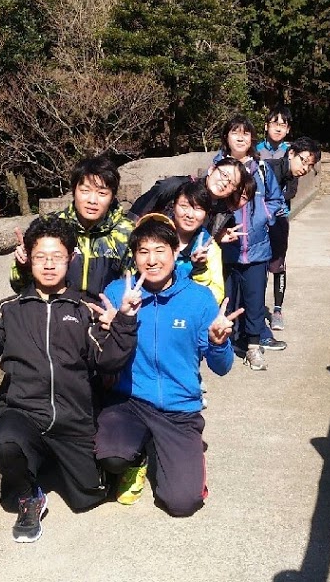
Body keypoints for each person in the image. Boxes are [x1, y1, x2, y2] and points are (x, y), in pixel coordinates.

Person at [0, 216, 139, 543]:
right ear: (28, 258)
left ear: (71, 258)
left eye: (57, 257)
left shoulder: (87, 308)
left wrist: (123, 323)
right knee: (6, 445)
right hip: (24, 413)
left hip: (74, 417)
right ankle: (30, 496)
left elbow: (109, 360)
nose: (49, 264)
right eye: (40, 256)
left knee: (90, 497)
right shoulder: (9, 308)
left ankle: (61, 463)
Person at [96, 216, 243, 516]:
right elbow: (101, 355)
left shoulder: (199, 299)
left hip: (178, 407)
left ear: (176, 252)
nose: (151, 260)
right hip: (129, 401)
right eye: (143, 251)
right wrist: (114, 327)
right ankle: (136, 457)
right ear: (134, 256)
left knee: (182, 503)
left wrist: (218, 343)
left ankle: (181, 452)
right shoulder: (117, 293)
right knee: (111, 456)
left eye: (160, 250)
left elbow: (222, 367)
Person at [214, 115, 286, 370]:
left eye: (245, 133)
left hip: (257, 249)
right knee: (226, 301)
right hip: (226, 249)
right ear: (226, 137)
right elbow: (207, 201)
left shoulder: (261, 169)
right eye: (235, 132)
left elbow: (277, 200)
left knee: (255, 302)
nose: (241, 137)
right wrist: (218, 231)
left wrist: (263, 216)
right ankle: (223, 347)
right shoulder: (216, 169)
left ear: (252, 139)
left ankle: (254, 348)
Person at [10, 154, 133, 300]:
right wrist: (24, 265)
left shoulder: (127, 233)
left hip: (107, 312)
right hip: (57, 310)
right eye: (85, 191)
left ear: (112, 197)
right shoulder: (51, 227)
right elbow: (19, 286)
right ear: (74, 191)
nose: (92, 200)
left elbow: (136, 286)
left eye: (102, 193)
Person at [259, 135, 322, 331]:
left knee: (279, 265)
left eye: (310, 166)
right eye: (303, 161)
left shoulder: (292, 175)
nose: (305, 168)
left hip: (279, 221)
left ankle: (277, 310)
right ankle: (256, 310)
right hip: (260, 224)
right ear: (291, 153)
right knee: (259, 268)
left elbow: (290, 193)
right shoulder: (268, 168)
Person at [167, 181, 224, 303]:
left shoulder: (210, 249)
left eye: (198, 209)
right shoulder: (155, 237)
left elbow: (216, 296)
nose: (190, 215)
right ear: (173, 206)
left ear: (206, 214)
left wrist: (200, 269)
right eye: (184, 206)